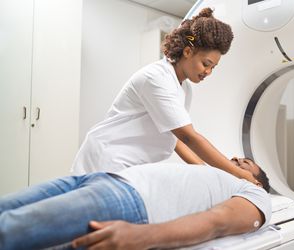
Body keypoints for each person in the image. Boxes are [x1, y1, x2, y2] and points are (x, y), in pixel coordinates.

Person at [71, 7, 259, 185]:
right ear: (188, 52)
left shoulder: (184, 88)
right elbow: (188, 137)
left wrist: (206, 171)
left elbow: (175, 137)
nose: (208, 72)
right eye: (206, 63)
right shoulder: (157, 78)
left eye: (213, 67)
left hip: (129, 163)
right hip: (108, 157)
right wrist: (239, 174)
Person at [0, 158, 271, 250]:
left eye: (245, 163)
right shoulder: (211, 173)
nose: (234, 159)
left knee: (9, 230)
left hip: (128, 200)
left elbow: (218, 222)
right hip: (101, 179)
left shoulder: (256, 195)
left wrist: (141, 237)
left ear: (257, 182)